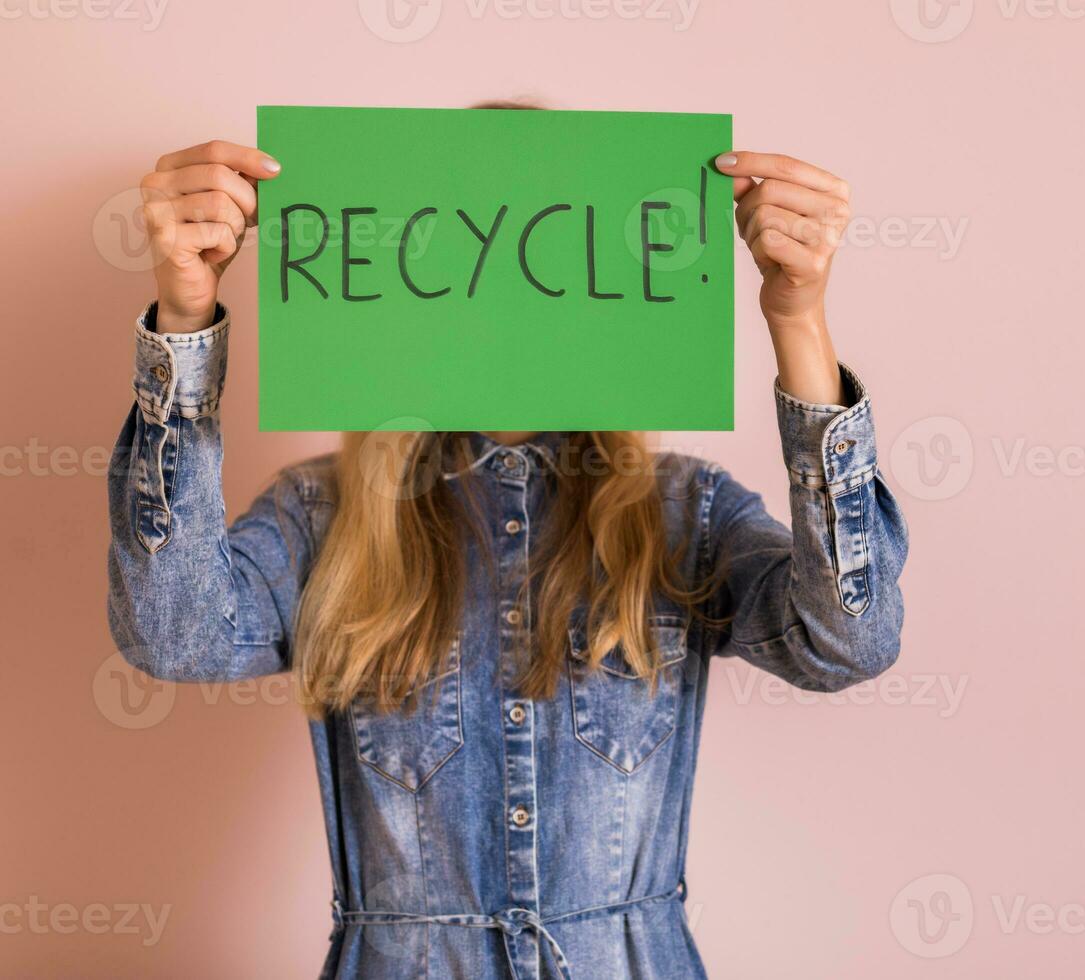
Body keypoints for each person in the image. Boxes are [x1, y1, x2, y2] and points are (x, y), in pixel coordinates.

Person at [106, 117, 909, 978]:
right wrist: (183, 327)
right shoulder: (321, 511)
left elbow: (845, 643)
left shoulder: (686, 507)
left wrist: (800, 325)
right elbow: (176, 635)